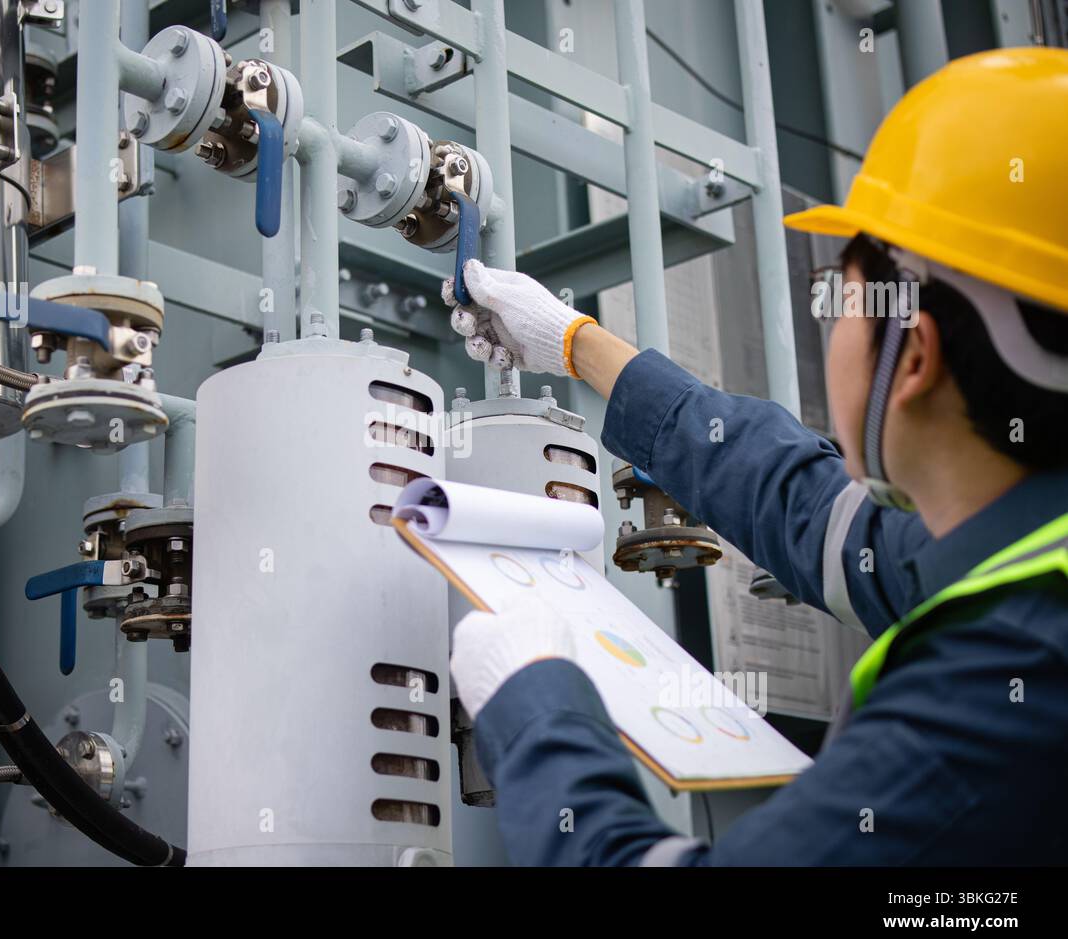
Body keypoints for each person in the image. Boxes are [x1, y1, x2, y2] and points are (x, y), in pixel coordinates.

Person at [444, 48, 1068, 865]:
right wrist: (575, 343)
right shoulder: (1011, 555)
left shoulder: (1000, 683)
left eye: (836, 298)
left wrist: (538, 708)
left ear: (911, 356)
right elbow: (809, 509)